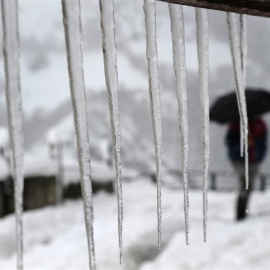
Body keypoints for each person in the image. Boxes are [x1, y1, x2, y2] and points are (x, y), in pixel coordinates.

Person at [226, 117, 268, 220]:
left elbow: (263, 143)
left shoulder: (260, 125)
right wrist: (243, 144)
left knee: (249, 185)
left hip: (254, 160)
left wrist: (257, 152)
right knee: (245, 183)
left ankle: (243, 210)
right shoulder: (236, 125)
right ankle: (240, 212)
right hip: (239, 160)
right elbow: (229, 142)